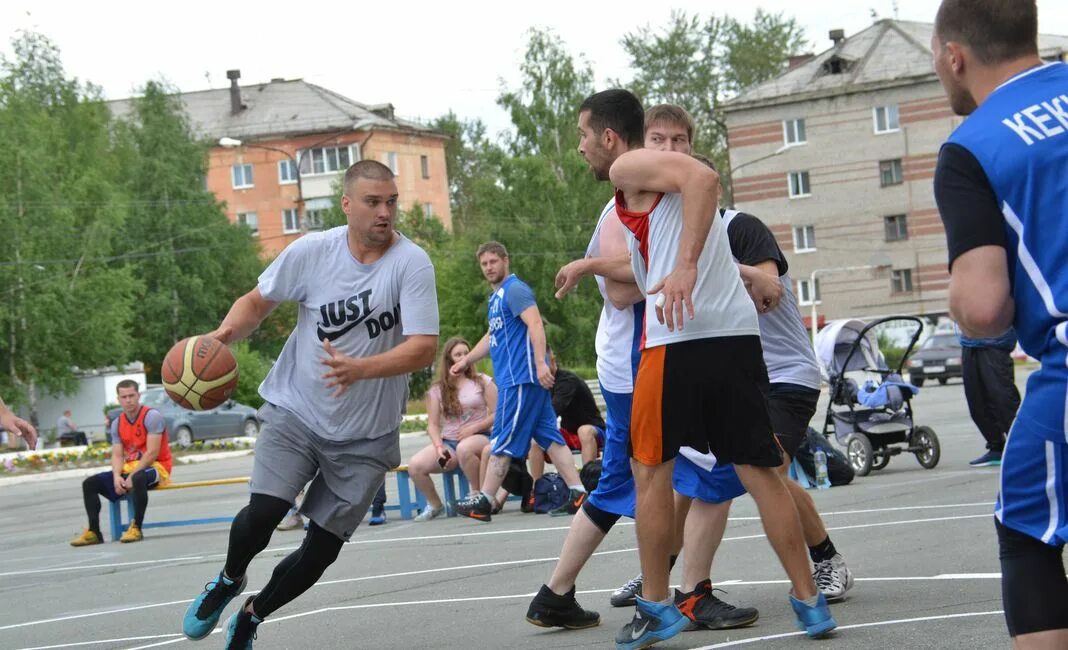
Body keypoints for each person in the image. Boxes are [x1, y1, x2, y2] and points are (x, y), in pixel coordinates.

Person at [180, 160, 438, 649]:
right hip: (297, 410)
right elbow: (256, 302)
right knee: (264, 512)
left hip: (367, 432)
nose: (385, 212)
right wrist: (225, 334)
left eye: (391, 201)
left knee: (320, 552)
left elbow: (424, 346)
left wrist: (361, 368)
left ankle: (253, 615)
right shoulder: (312, 252)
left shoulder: (412, 263)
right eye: (373, 202)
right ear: (346, 205)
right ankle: (230, 578)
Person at [611, 107, 854, 621]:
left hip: (719, 351)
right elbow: (627, 278)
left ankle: (660, 597)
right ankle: (807, 600)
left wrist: (691, 264)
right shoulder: (671, 208)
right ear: (644, 141)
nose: (671, 151)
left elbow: (764, 284)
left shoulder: (716, 210)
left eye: (680, 141)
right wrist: (589, 263)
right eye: (661, 140)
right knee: (745, 476)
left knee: (660, 473)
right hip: (733, 346)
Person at [931, 1, 1068, 646]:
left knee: (1026, 527)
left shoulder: (973, 147)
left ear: (955, 56)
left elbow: (985, 309)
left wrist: (960, 287)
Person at [451, 242, 587, 522]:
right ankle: (578, 492)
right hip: (520, 380)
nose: (489, 267)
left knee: (501, 438)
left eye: (493, 262)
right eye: (484, 264)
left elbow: (536, 324)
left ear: (505, 260)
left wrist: (539, 363)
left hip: (520, 380)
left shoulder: (514, 290)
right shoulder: (497, 298)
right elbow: (492, 337)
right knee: (550, 438)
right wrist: (466, 361)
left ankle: (485, 501)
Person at [70, 380, 173, 546]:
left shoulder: (152, 416)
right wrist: (117, 476)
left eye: (132, 395)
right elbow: (117, 455)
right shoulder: (117, 423)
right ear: (118, 399)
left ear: (138, 395)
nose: (128, 400)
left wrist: (131, 475)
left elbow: (152, 452)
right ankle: (94, 532)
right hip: (131, 467)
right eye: (124, 397)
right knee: (90, 484)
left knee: (138, 478)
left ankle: (136, 527)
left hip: (157, 467)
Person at [409, 337, 497, 521]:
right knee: (415, 466)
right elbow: (432, 425)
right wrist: (439, 448)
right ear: (449, 360)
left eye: (466, 353)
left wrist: (475, 427)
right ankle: (435, 505)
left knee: (465, 448)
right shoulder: (437, 389)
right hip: (450, 443)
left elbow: (499, 413)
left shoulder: (482, 381)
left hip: (480, 437)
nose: (463, 357)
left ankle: (477, 497)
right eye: (458, 354)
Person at [527, 350, 605, 481]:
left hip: (595, 430)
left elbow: (553, 411)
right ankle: (536, 491)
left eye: (543, 363)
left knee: (584, 431)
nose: (540, 369)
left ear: (553, 361)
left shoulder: (567, 381)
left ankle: (588, 482)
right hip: (569, 433)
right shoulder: (541, 384)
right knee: (535, 441)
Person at [959, 327, 1021, 466]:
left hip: (995, 344)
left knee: (1003, 399)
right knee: (976, 401)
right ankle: (996, 447)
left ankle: (1022, 447)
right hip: (969, 343)